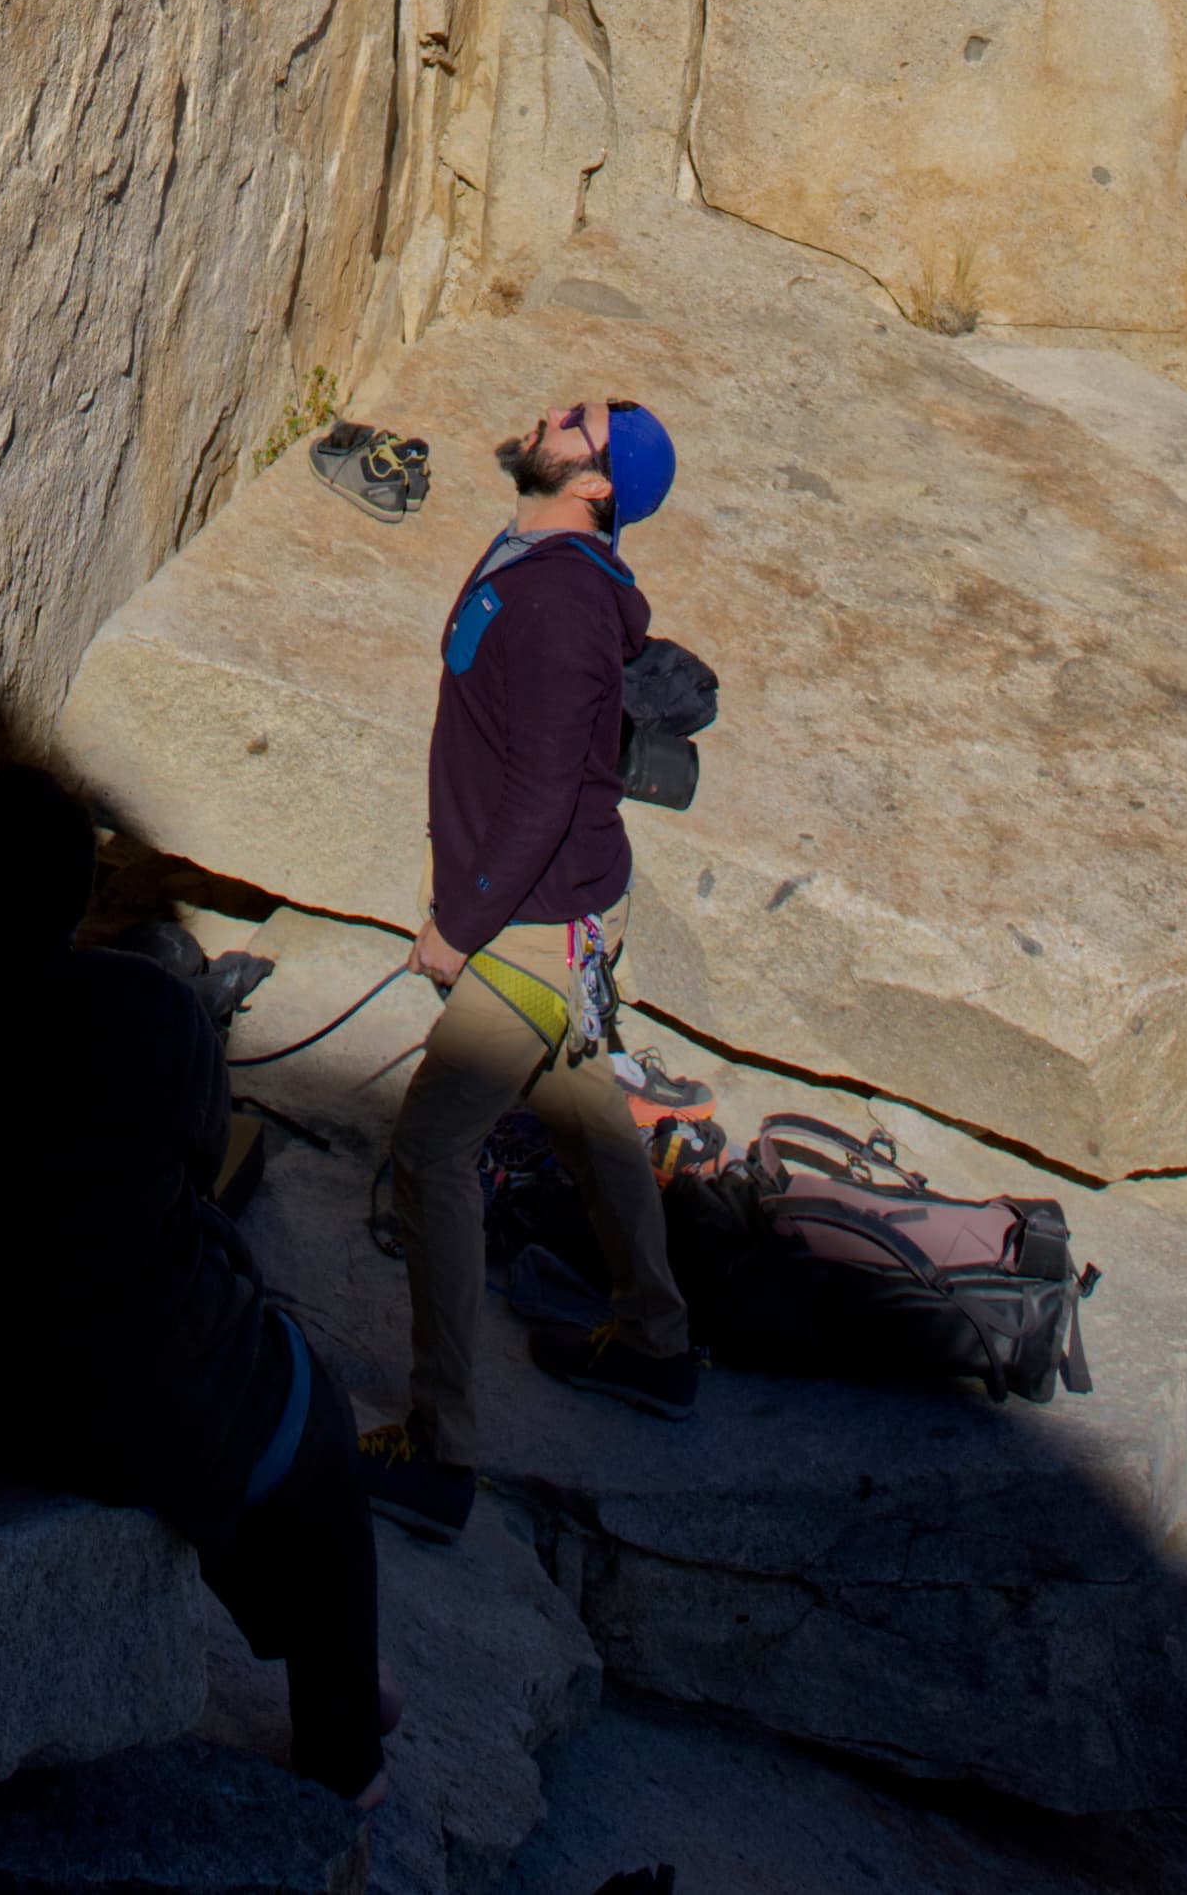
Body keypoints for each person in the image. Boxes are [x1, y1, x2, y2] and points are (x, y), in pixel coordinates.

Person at [0, 763, 387, 1799]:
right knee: (314, 1430)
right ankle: (345, 1743)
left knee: (217, 1418)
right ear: (83, 901)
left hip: (1, 1401)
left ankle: (316, 1643)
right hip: (150, 1392)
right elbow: (204, 1160)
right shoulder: (152, 1011)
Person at [363, 392, 701, 1543]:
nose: (545, 415)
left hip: (528, 934)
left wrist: (459, 924)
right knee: (586, 1112)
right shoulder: (538, 550)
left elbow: (546, 792)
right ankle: (656, 1342)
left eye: (572, 422)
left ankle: (439, 1448)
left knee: (431, 1153)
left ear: (596, 483)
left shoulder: (562, 605)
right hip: (558, 919)